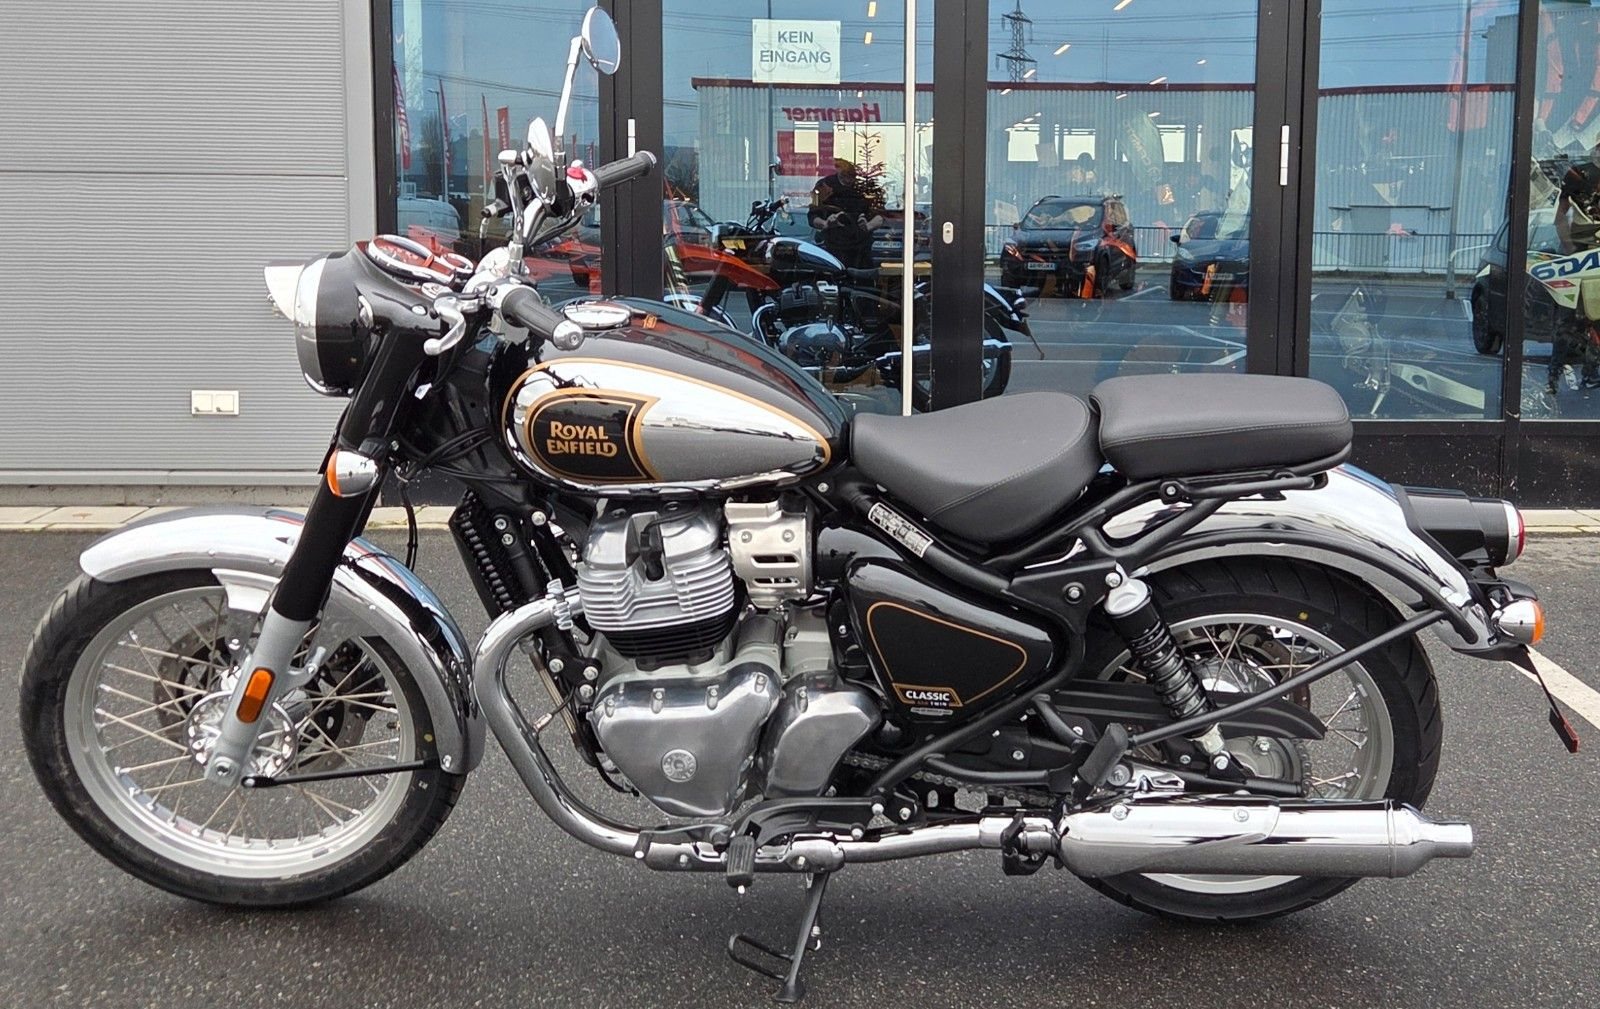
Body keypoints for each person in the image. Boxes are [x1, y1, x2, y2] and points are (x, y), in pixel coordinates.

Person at [1549, 143, 1600, 392]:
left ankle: (1579, 371)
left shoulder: (1580, 174)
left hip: (1583, 252)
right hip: (1581, 253)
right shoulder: (1580, 174)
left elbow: (1560, 216)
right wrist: (1570, 248)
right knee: (1569, 317)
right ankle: (1556, 373)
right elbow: (1560, 216)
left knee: (1580, 318)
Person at [808, 159, 885, 269]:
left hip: (860, 249)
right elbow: (812, 215)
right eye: (845, 176)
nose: (848, 180)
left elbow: (880, 215)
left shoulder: (863, 187)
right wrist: (826, 223)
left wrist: (868, 226)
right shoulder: (825, 185)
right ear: (838, 172)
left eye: (851, 176)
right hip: (833, 246)